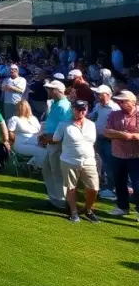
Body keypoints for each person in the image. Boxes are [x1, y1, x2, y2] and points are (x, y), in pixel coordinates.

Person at [53, 99, 100, 223]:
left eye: (83, 110)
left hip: (89, 160)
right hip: (69, 160)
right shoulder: (64, 124)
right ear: (73, 110)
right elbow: (56, 138)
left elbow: (92, 142)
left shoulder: (91, 124)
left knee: (94, 188)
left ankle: (87, 210)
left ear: (87, 110)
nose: (81, 112)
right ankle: (74, 213)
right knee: (71, 187)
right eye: (78, 109)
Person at [104, 90, 139, 221]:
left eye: (123, 101)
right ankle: (122, 207)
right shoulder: (114, 114)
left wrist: (132, 136)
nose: (120, 103)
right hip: (118, 155)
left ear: (132, 102)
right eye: (119, 101)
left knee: (137, 185)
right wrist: (124, 135)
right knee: (120, 183)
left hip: (136, 156)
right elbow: (107, 132)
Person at [40, 80, 72, 210]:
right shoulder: (55, 104)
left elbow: (65, 128)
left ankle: (61, 201)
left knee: (57, 171)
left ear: (58, 91)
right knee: (47, 168)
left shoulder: (63, 106)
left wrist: (52, 139)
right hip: (50, 140)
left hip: (57, 143)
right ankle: (55, 198)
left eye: (51, 89)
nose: (49, 91)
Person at [88, 85, 120, 201]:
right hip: (98, 138)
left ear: (107, 95)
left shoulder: (114, 108)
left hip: (109, 140)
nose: (96, 96)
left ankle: (113, 188)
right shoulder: (98, 105)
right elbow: (93, 116)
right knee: (103, 163)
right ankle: (108, 186)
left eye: (99, 94)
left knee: (110, 164)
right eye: (97, 94)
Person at [7, 100, 45, 165]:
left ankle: (32, 164)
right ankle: (35, 167)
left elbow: (39, 131)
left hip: (36, 142)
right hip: (21, 144)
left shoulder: (33, 119)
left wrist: (40, 141)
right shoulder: (14, 119)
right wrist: (11, 143)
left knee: (48, 150)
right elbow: (10, 132)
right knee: (41, 151)